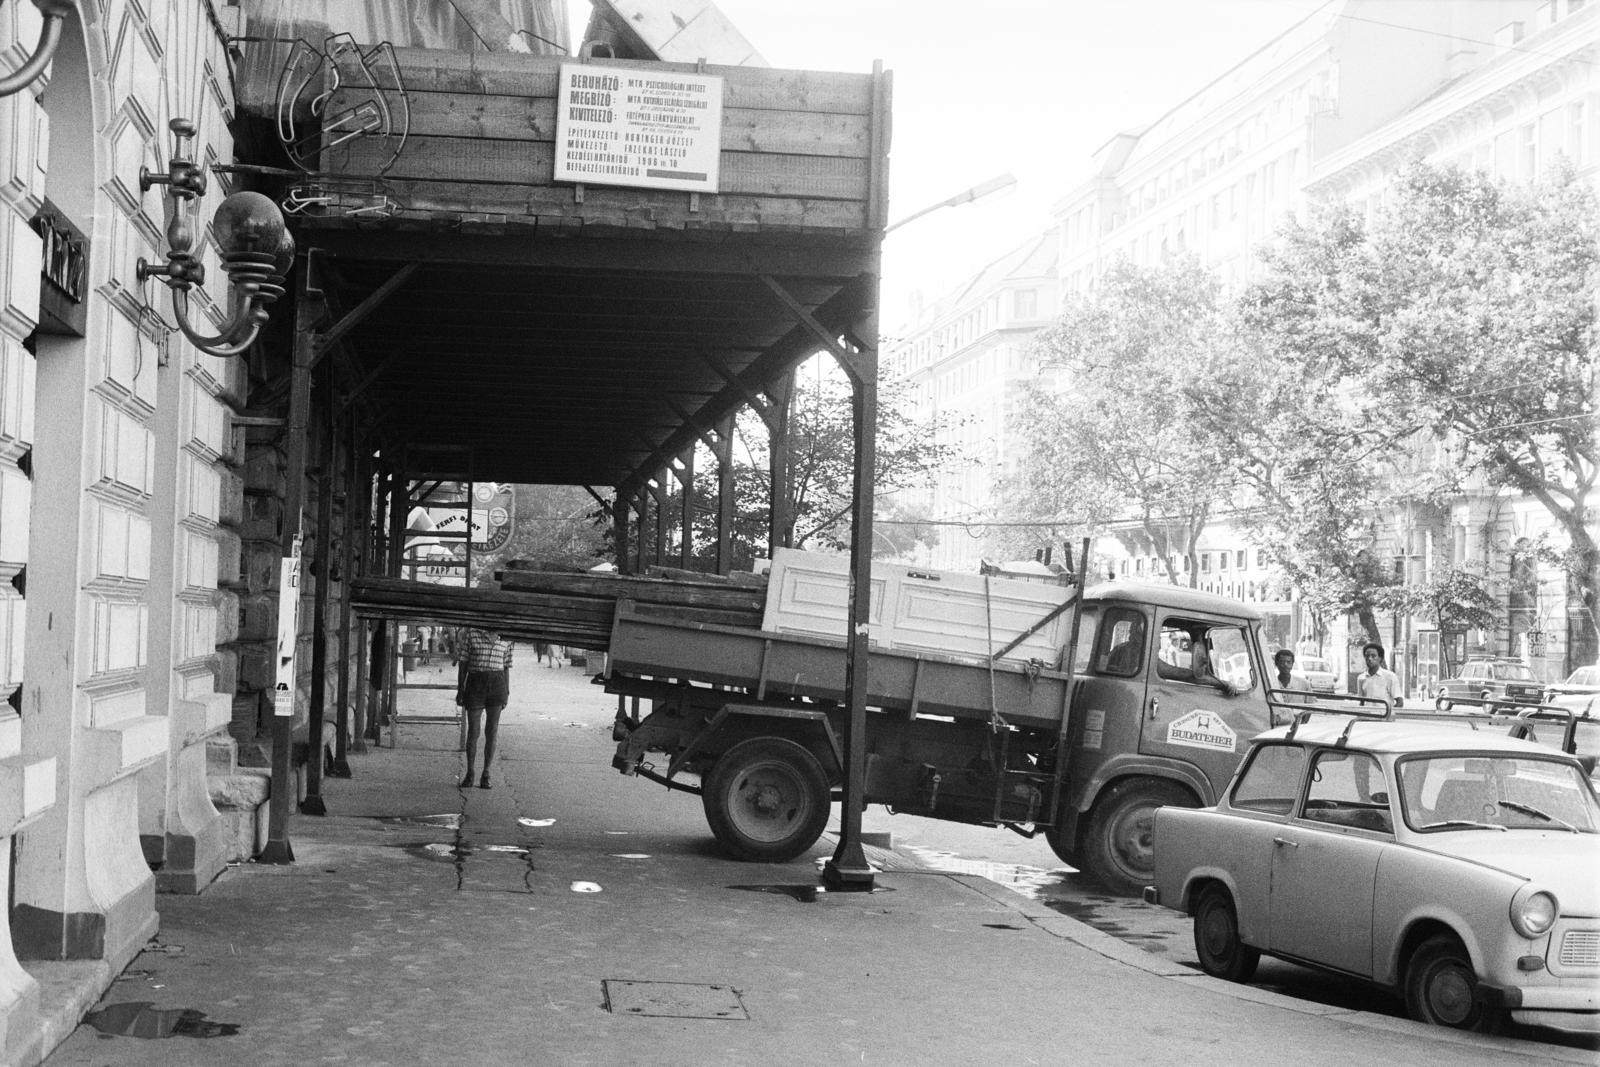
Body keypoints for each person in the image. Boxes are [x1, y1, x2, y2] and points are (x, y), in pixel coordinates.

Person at [456, 628, 513, 788]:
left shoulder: (507, 637)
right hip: (475, 683)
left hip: (497, 684)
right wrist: (460, 689)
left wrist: (506, 691)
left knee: (492, 731)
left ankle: (486, 773)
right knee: (473, 731)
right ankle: (470, 772)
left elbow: (506, 666)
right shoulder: (472, 634)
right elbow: (463, 663)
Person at [1356, 642, 1403, 709]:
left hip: (1383, 717)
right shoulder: (1361, 678)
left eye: (1373, 656)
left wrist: (1388, 715)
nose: (1369, 659)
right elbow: (1361, 702)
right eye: (1367, 656)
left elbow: (1400, 702)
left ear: (1380, 658)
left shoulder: (1390, 676)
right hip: (1366, 716)